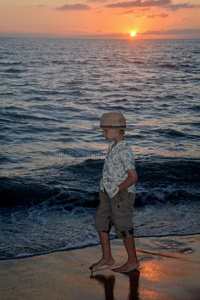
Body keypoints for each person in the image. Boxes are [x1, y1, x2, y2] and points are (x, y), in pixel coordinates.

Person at [90, 112, 139, 273]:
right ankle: (107, 257)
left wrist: (117, 189)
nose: (103, 134)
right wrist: (107, 188)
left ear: (117, 130)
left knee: (123, 225)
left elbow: (133, 177)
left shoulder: (124, 150)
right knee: (101, 221)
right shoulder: (113, 146)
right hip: (107, 192)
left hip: (121, 194)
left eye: (105, 131)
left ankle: (132, 261)